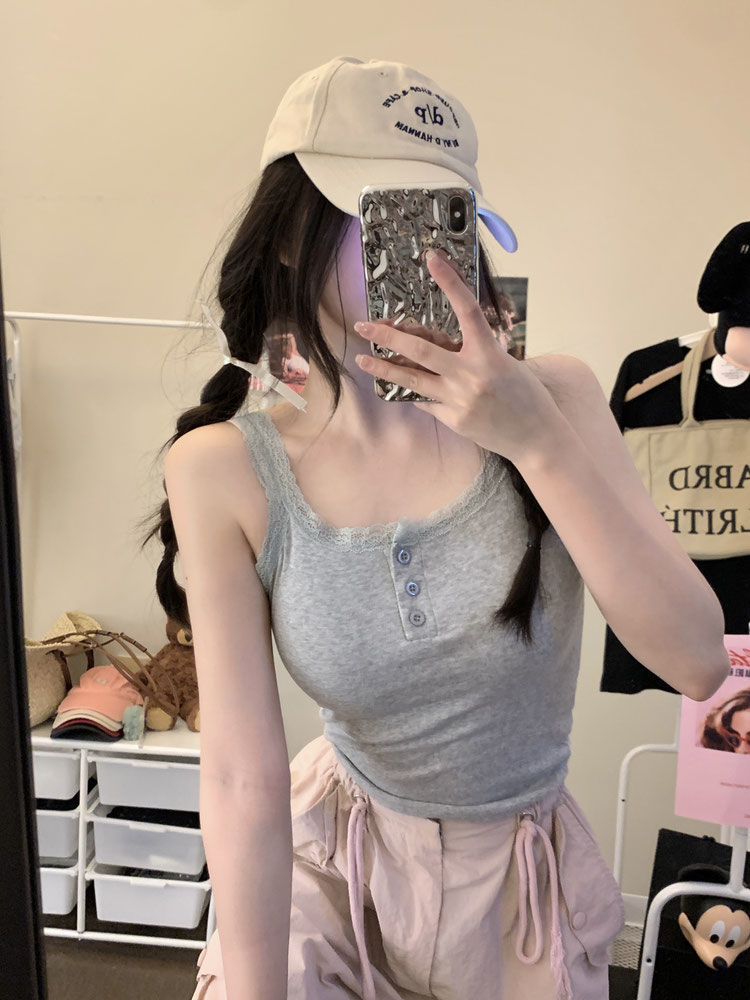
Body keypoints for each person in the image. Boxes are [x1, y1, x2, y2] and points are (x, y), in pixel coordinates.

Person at [141, 56, 730, 1000]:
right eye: (384, 215)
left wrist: (535, 440)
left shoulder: (559, 399)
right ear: (288, 235)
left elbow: (699, 661)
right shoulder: (223, 468)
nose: (424, 257)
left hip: (520, 886)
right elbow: (242, 777)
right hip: (333, 865)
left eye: (447, 219)